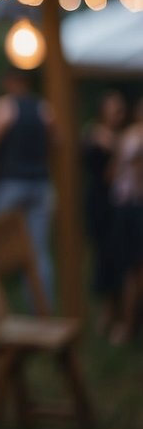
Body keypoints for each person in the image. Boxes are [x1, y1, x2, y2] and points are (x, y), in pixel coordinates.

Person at [0, 69, 55, 306]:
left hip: (11, 183)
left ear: (9, 81)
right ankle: (42, 309)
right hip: (41, 184)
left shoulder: (5, 107)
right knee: (39, 252)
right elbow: (57, 140)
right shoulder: (43, 108)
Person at [83, 90, 127, 331]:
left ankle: (116, 310)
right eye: (113, 107)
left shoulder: (120, 137)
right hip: (100, 202)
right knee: (103, 255)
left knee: (116, 255)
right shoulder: (95, 135)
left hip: (118, 203)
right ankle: (106, 312)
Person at [109, 98, 143, 343]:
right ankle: (125, 321)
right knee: (129, 265)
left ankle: (129, 323)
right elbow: (114, 172)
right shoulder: (129, 136)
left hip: (136, 206)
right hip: (127, 206)